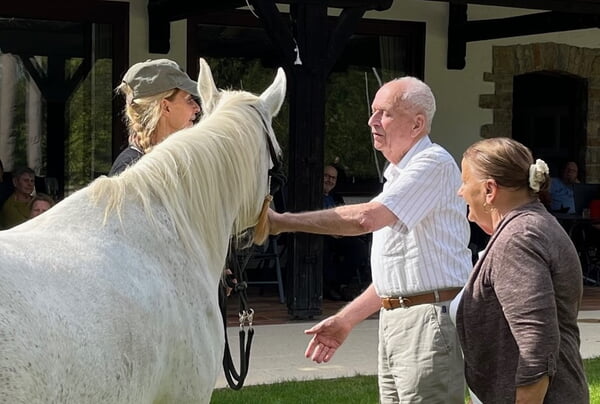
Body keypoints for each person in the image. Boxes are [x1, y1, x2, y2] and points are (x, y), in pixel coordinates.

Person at [269, 77, 472, 403]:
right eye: (373, 112)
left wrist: (281, 222)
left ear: (417, 123)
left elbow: (365, 219)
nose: (371, 121)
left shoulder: (433, 163)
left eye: (384, 113)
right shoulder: (398, 176)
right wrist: (346, 320)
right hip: (400, 320)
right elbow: (396, 278)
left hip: (427, 321)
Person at [454, 137, 589, 403]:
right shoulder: (533, 224)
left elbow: (535, 346)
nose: (460, 192)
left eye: (465, 181)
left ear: (489, 190)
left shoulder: (518, 238)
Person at [109, 58, 201, 176]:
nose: (197, 108)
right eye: (189, 100)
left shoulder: (169, 162)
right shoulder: (130, 171)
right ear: (165, 107)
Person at [322, 164, 370, 301]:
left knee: (359, 247)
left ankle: (340, 283)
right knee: (321, 247)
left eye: (333, 178)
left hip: (338, 234)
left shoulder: (335, 197)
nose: (329, 180)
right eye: (326, 176)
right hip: (319, 235)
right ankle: (331, 286)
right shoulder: (310, 196)